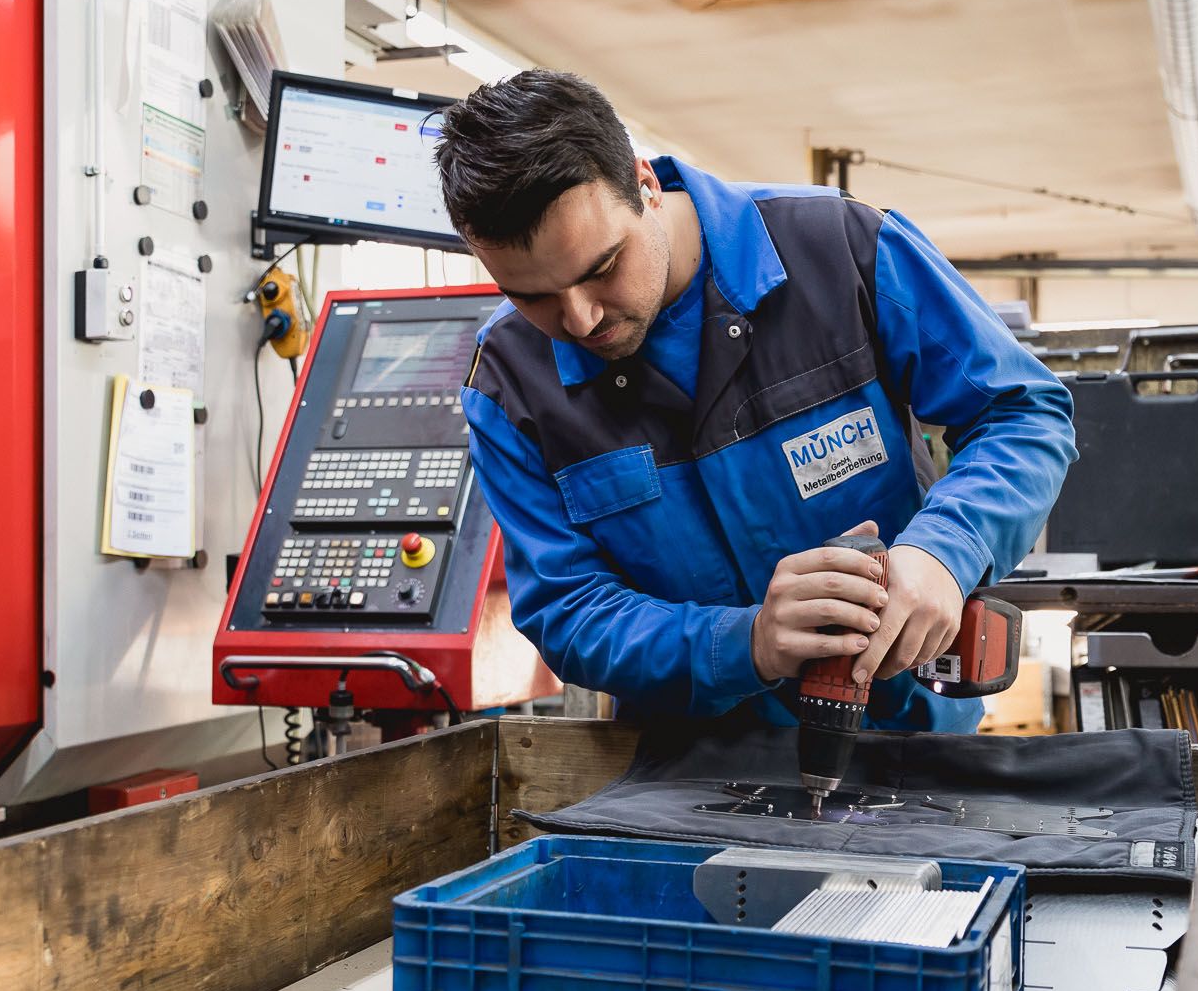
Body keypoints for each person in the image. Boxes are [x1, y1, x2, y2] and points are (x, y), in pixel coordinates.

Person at [440, 69, 1074, 732]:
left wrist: (945, 548)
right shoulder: (508, 385)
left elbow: (1021, 411)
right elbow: (569, 611)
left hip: (912, 744)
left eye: (601, 267)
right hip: (686, 783)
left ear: (645, 186)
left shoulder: (838, 250)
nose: (579, 318)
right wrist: (747, 645)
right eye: (531, 296)